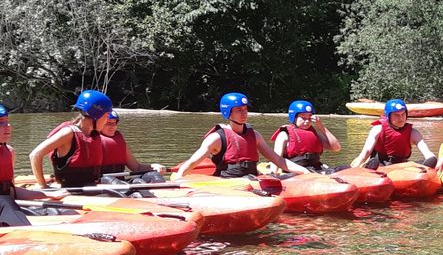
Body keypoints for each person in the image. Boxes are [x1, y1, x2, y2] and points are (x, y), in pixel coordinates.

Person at [175, 92, 310, 178]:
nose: (244, 113)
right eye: (239, 110)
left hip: (251, 179)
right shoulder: (217, 138)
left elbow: (278, 160)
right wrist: (179, 178)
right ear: (228, 112)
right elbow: (193, 162)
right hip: (228, 183)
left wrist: (304, 172)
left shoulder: (255, 135)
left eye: (245, 109)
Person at [0, 103, 69, 225]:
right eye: (1, 122)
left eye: (7, 121)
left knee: (66, 212)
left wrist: (46, 194)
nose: (8, 126)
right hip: (4, 207)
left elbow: (10, 192)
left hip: (6, 204)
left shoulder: (9, 152)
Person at [29, 90, 113, 188]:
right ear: (95, 116)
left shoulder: (92, 135)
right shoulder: (68, 133)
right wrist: (43, 186)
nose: (107, 121)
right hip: (71, 190)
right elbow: (35, 155)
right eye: (106, 116)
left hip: (90, 187)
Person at [350, 99, 437, 169]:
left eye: (403, 114)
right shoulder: (378, 129)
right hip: (379, 164)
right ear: (388, 116)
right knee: (374, 164)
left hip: (400, 166)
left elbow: (427, 153)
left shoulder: (413, 133)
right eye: (396, 115)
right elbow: (366, 152)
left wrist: (434, 160)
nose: (401, 118)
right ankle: (368, 168)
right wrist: (355, 168)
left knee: (417, 164)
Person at [269, 100, 341, 174]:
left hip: (316, 167)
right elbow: (276, 158)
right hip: (295, 170)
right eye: (303, 118)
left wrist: (320, 126)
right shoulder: (284, 135)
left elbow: (336, 148)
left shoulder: (314, 134)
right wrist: (273, 174)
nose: (307, 121)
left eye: (309, 118)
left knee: (343, 168)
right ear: (294, 117)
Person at [98, 110, 167, 183]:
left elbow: (137, 167)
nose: (113, 127)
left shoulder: (118, 140)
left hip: (120, 181)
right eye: (108, 123)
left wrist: (153, 166)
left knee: (153, 175)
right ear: (99, 123)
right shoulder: (94, 140)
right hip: (102, 180)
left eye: (114, 123)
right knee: (109, 179)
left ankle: (161, 188)